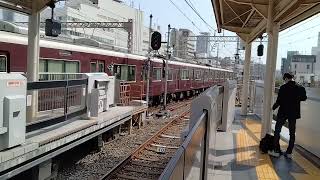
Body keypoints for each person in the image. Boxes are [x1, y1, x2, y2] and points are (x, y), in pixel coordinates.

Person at [268, 73, 307, 158]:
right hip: (293, 113)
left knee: (277, 130)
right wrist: (296, 99)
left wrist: (272, 108)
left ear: (286, 78)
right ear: (292, 78)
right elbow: (304, 98)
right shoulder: (300, 88)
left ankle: (276, 151)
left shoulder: (283, 88)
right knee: (292, 133)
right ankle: (289, 153)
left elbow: (279, 101)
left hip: (283, 112)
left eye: (284, 79)